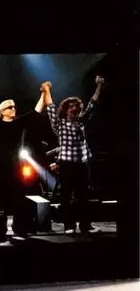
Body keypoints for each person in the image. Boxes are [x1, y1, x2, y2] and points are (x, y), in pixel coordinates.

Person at [0, 83, 47, 236]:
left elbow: (36, 111)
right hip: (1, 166)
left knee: (19, 196)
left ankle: (19, 227)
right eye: (9, 107)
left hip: (16, 165)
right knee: (0, 197)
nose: (13, 109)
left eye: (14, 106)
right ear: (2, 112)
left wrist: (44, 93)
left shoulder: (19, 122)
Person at [43, 77, 104, 234]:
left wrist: (99, 86)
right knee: (66, 196)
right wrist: (47, 90)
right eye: (70, 107)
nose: (74, 109)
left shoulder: (82, 121)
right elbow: (50, 108)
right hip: (67, 164)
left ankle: (85, 225)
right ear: (65, 110)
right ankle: (69, 226)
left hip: (82, 163)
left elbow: (92, 104)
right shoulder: (60, 124)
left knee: (83, 196)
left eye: (76, 106)